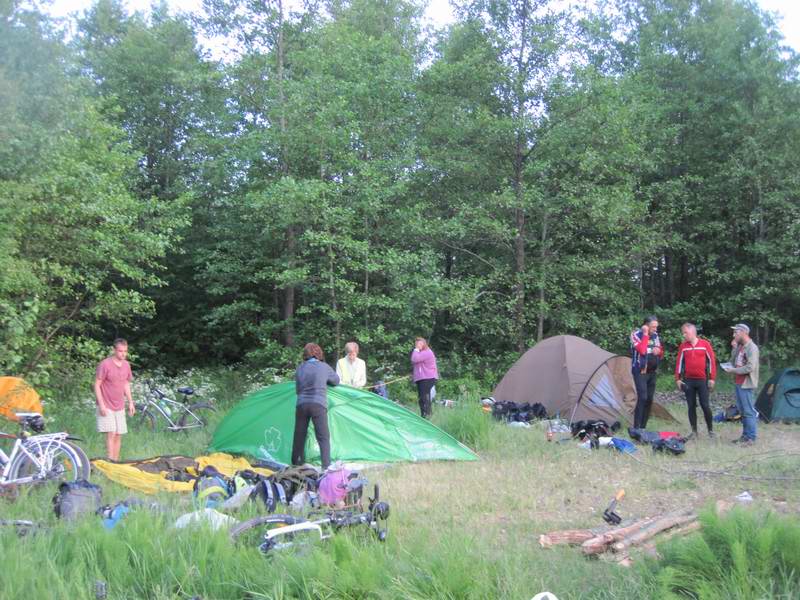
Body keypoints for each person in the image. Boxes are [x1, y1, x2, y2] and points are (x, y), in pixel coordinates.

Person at [292, 343, 339, 470]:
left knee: (299, 435)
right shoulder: (324, 367)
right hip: (318, 404)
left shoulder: (300, 368)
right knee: (323, 437)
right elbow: (336, 381)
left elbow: (297, 390)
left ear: (305, 355)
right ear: (319, 353)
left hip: (301, 404)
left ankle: (296, 464)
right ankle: (326, 467)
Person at [94, 338, 135, 461]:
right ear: (114, 350)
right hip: (106, 404)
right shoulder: (105, 364)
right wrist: (101, 405)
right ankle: (109, 462)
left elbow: (126, 384)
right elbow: (97, 384)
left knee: (118, 434)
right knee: (110, 433)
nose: (123, 354)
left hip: (120, 405)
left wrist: (131, 402)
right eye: (120, 351)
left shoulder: (127, 365)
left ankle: (115, 462)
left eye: (125, 351)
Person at [674, 323, 717, 438]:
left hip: (702, 380)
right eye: (683, 333)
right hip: (688, 381)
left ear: (692, 332)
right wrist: (678, 379)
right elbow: (679, 363)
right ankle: (694, 432)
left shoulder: (705, 344)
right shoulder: (683, 346)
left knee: (705, 405)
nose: (683, 335)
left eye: (685, 332)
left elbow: (712, 361)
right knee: (691, 406)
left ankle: (711, 431)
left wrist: (712, 378)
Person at [723, 323, 760, 445]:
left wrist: (733, 370)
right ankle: (745, 436)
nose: (734, 335)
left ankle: (751, 438)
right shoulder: (740, 346)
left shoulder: (752, 348)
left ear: (744, 332)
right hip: (738, 382)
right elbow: (733, 361)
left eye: (736, 332)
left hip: (747, 384)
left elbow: (750, 367)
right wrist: (734, 347)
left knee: (749, 411)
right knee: (742, 411)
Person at [629, 316, 664, 429]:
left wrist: (659, 351)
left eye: (656, 327)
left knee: (649, 399)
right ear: (646, 326)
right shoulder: (635, 335)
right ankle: (636, 427)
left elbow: (661, 351)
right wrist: (645, 334)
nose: (655, 329)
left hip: (652, 371)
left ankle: (643, 427)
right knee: (642, 397)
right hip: (640, 371)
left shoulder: (655, 336)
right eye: (653, 327)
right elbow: (642, 350)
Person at [410, 337, 438, 418]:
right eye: (416, 344)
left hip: (427, 378)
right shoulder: (421, 353)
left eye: (419, 344)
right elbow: (416, 363)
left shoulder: (427, 352)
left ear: (423, 344)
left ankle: (427, 414)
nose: (417, 346)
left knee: (424, 397)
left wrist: (416, 349)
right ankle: (424, 415)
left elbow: (414, 359)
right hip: (422, 378)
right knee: (422, 398)